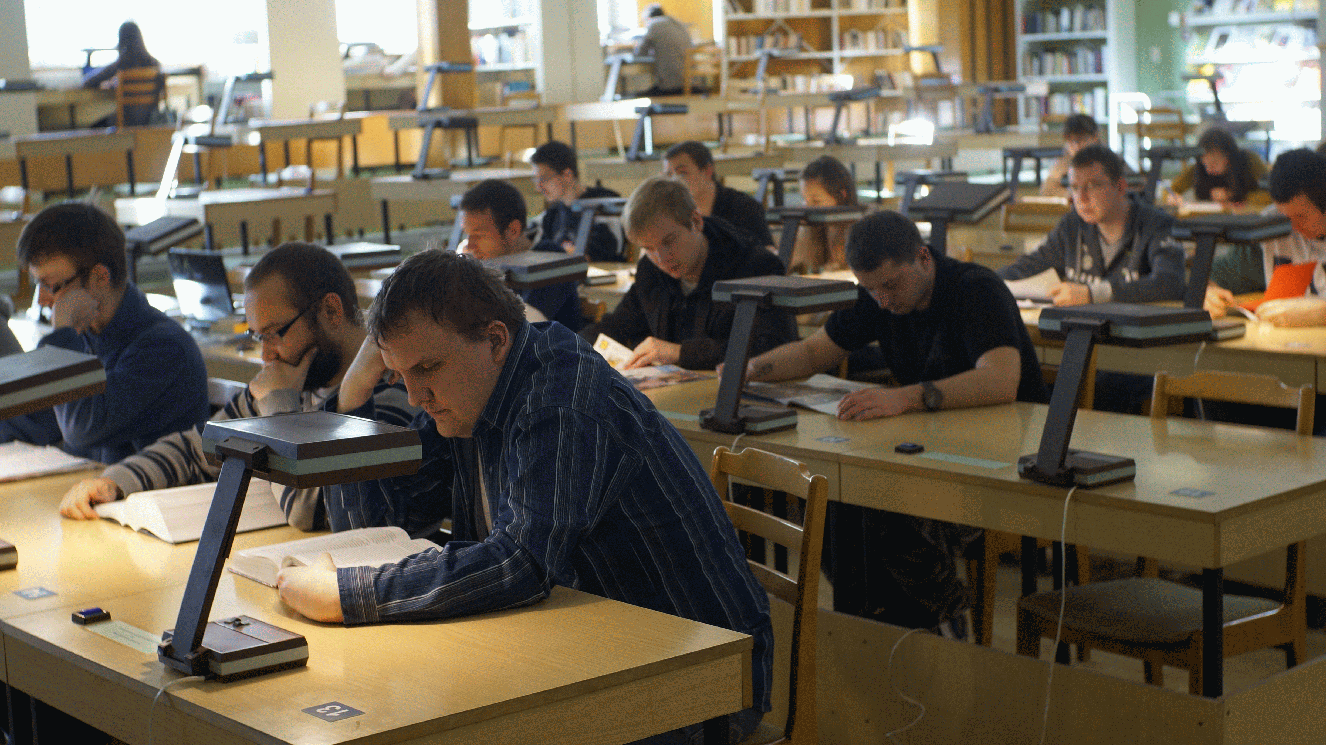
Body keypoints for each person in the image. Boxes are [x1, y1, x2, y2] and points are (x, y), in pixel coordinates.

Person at [275, 249, 773, 744]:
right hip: (597, 656)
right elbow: (389, 520)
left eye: (426, 367)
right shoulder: (472, 390)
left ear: (494, 340)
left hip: (703, 683)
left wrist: (347, 593)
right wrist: (354, 396)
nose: (414, 397)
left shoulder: (558, 402)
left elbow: (520, 563)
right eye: (398, 376)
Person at [741, 209, 1045, 635]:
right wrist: (749, 366)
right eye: (871, 290)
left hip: (999, 461)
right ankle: (877, 630)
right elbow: (814, 353)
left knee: (889, 510)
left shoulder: (976, 290)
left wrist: (904, 398)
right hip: (928, 450)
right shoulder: (877, 295)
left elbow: (1000, 381)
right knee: (835, 506)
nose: (883, 300)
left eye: (890, 285)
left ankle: (928, 625)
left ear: (923, 257)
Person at [56, 242, 417, 530]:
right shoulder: (293, 377)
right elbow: (197, 449)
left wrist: (279, 408)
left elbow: (311, 510)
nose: (266, 356)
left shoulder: (387, 390)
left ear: (331, 311)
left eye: (275, 333)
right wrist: (115, 482)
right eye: (258, 337)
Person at [0, 202, 208, 463]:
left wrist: (63, 332)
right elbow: (32, 419)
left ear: (100, 277)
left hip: (149, 499)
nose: (42, 300)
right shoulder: (89, 338)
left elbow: (80, 428)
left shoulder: (163, 348)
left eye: (51, 285)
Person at [579, 176, 796, 370]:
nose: (662, 258)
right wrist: (571, 348)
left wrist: (680, 353)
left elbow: (771, 349)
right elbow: (618, 325)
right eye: (649, 248)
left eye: (669, 241)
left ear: (696, 221)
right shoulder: (650, 269)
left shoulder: (757, 267)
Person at [999, 144, 1186, 306]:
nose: (1081, 198)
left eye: (1093, 186)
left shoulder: (1157, 225)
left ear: (1121, 187)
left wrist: (1091, 294)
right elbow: (1029, 266)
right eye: (1074, 187)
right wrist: (983, 281)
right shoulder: (1072, 225)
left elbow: (1169, 283)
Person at [1206, 148, 1326, 326]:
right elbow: (1213, 276)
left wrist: (1321, 314)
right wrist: (1208, 292)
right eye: (1286, 217)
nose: (1293, 227)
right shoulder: (1271, 229)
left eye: (1301, 216)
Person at [459, 179, 584, 331]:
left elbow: (520, 330)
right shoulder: (488, 262)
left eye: (479, 236)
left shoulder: (548, 260)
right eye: (468, 235)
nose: (470, 246)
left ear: (513, 231)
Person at [664, 140, 776, 250]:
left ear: (707, 171)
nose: (674, 181)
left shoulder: (744, 207)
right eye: (669, 175)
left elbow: (768, 254)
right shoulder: (670, 212)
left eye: (682, 173)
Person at [527, 140, 625, 262]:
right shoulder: (552, 214)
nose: (538, 187)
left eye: (544, 179)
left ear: (567, 175)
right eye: (536, 180)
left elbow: (604, 254)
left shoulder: (604, 208)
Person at [1167, 126, 1270, 209]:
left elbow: (1271, 195)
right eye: (1205, 164)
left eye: (1214, 163)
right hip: (1212, 219)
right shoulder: (1199, 167)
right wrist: (1171, 197)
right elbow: (1169, 189)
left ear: (1228, 157)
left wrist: (1231, 195)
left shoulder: (1250, 161)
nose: (1208, 169)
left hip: (1248, 219)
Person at [788, 154, 859, 273]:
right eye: (805, 200)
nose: (808, 208)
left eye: (816, 201)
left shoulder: (859, 231)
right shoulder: (808, 230)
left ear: (842, 195)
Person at [82, 21, 160, 127]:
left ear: (121, 40)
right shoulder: (155, 64)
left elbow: (88, 82)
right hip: (150, 121)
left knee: (93, 127)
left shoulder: (122, 63)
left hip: (126, 121)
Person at [1040, 113, 1103, 199]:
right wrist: (1073, 195)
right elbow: (1046, 190)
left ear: (1095, 137)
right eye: (1070, 141)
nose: (1076, 146)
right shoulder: (1066, 161)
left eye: (1081, 140)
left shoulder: (1109, 160)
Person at [634, 3, 691, 97]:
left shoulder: (653, 25)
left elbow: (640, 52)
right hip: (688, 83)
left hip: (670, 86)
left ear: (648, 17)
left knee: (639, 96)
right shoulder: (677, 23)